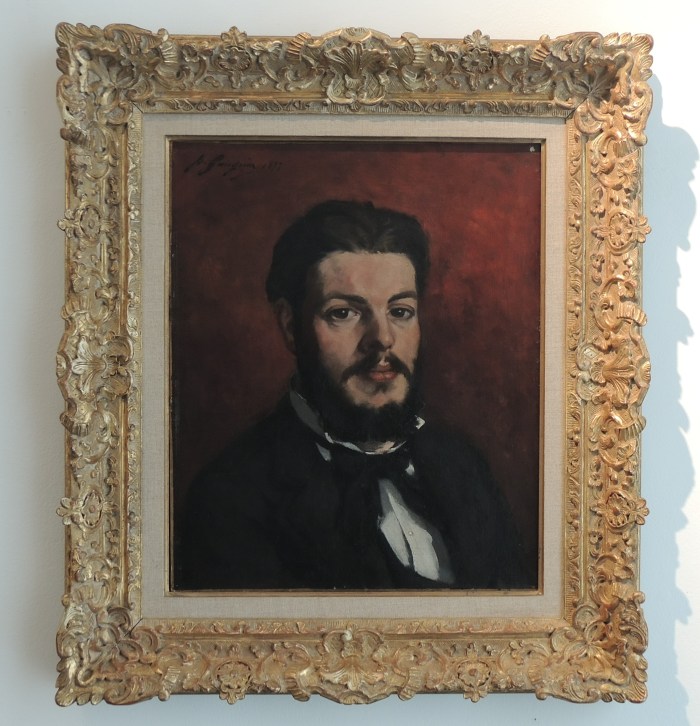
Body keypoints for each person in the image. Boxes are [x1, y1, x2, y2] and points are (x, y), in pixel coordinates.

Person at [175, 200, 534, 591]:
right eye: (343, 313)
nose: (382, 338)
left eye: (400, 311)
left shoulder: (462, 464)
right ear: (291, 326)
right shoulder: (232, 496)